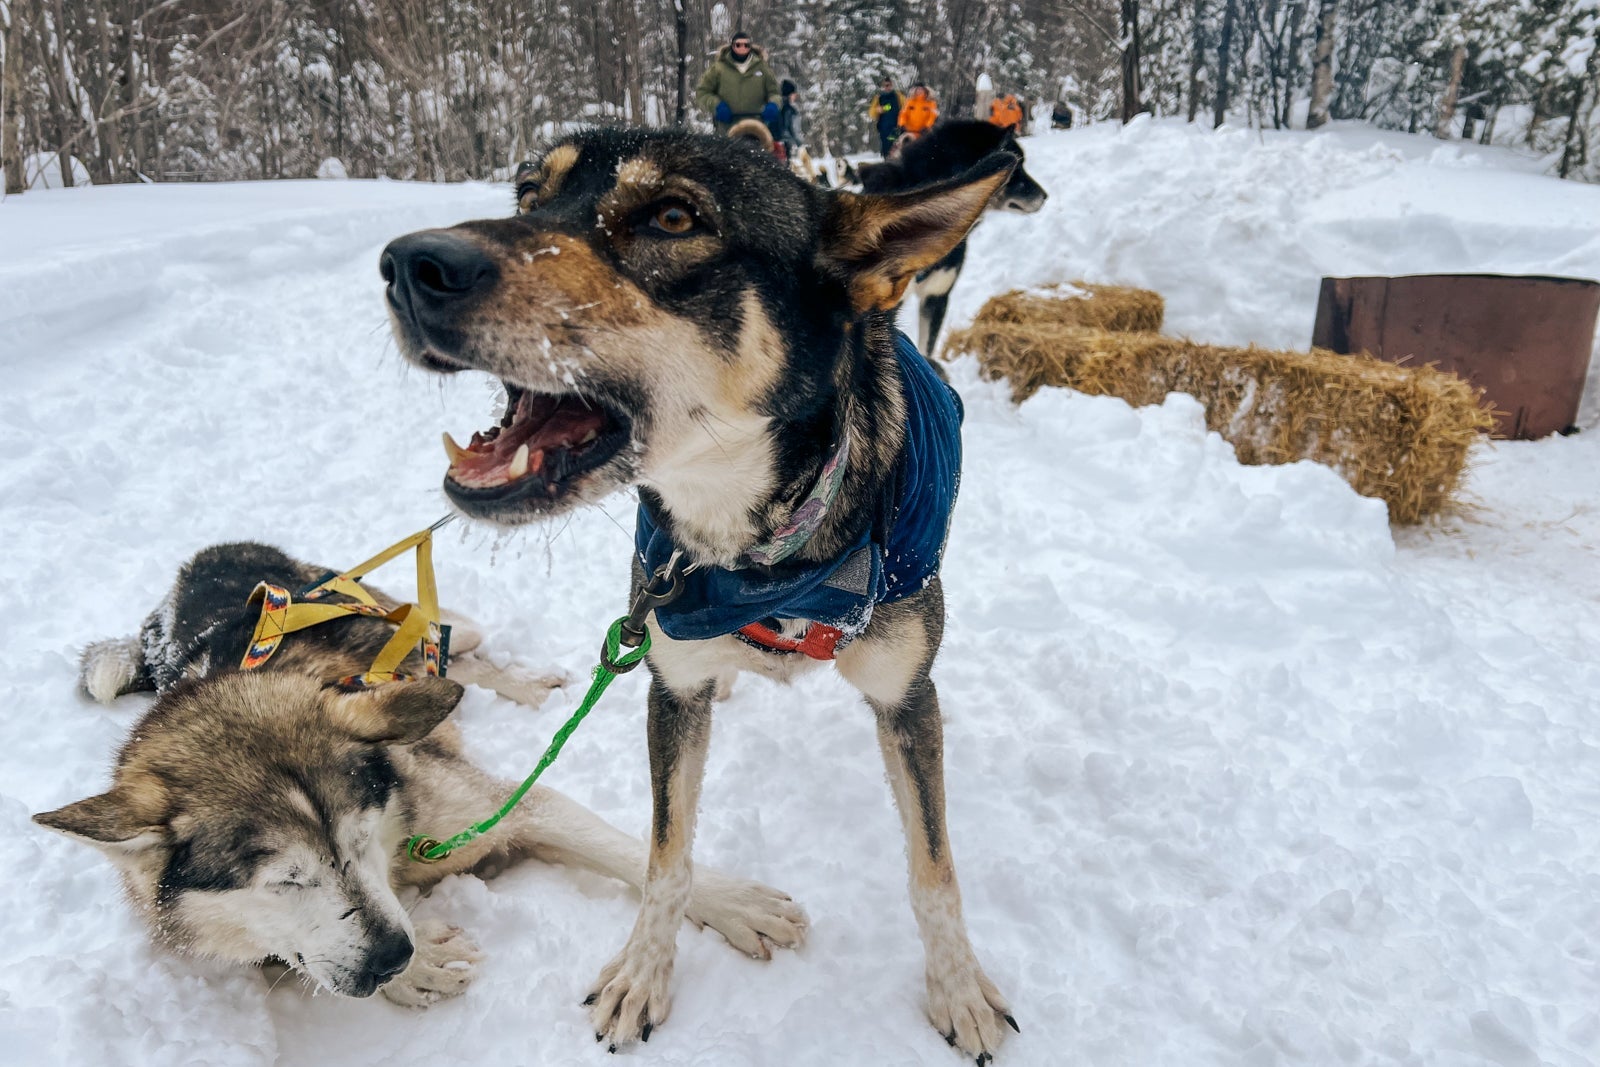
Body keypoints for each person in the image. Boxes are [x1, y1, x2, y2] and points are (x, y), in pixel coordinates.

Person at [695, 31, 780, 136]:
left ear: (750, 47)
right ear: (732, 46)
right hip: (726, 128)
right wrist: (717, 106)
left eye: (746, 45)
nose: (742, 48)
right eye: (738, 45)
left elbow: (775, 93)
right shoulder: (718, 68)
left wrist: (773, 105)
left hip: (757, 128)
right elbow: (702, 92)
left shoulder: (762, 68)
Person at [868, 76, 905, 157]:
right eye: (886, 85)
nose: (887, 87)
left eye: (889, 85)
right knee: (886, 149)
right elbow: (871, 113)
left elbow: (905, 108)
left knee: (897, 148)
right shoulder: (879, 97)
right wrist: (878, 110)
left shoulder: (898, 96)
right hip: (884, 129)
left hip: (896, 127)